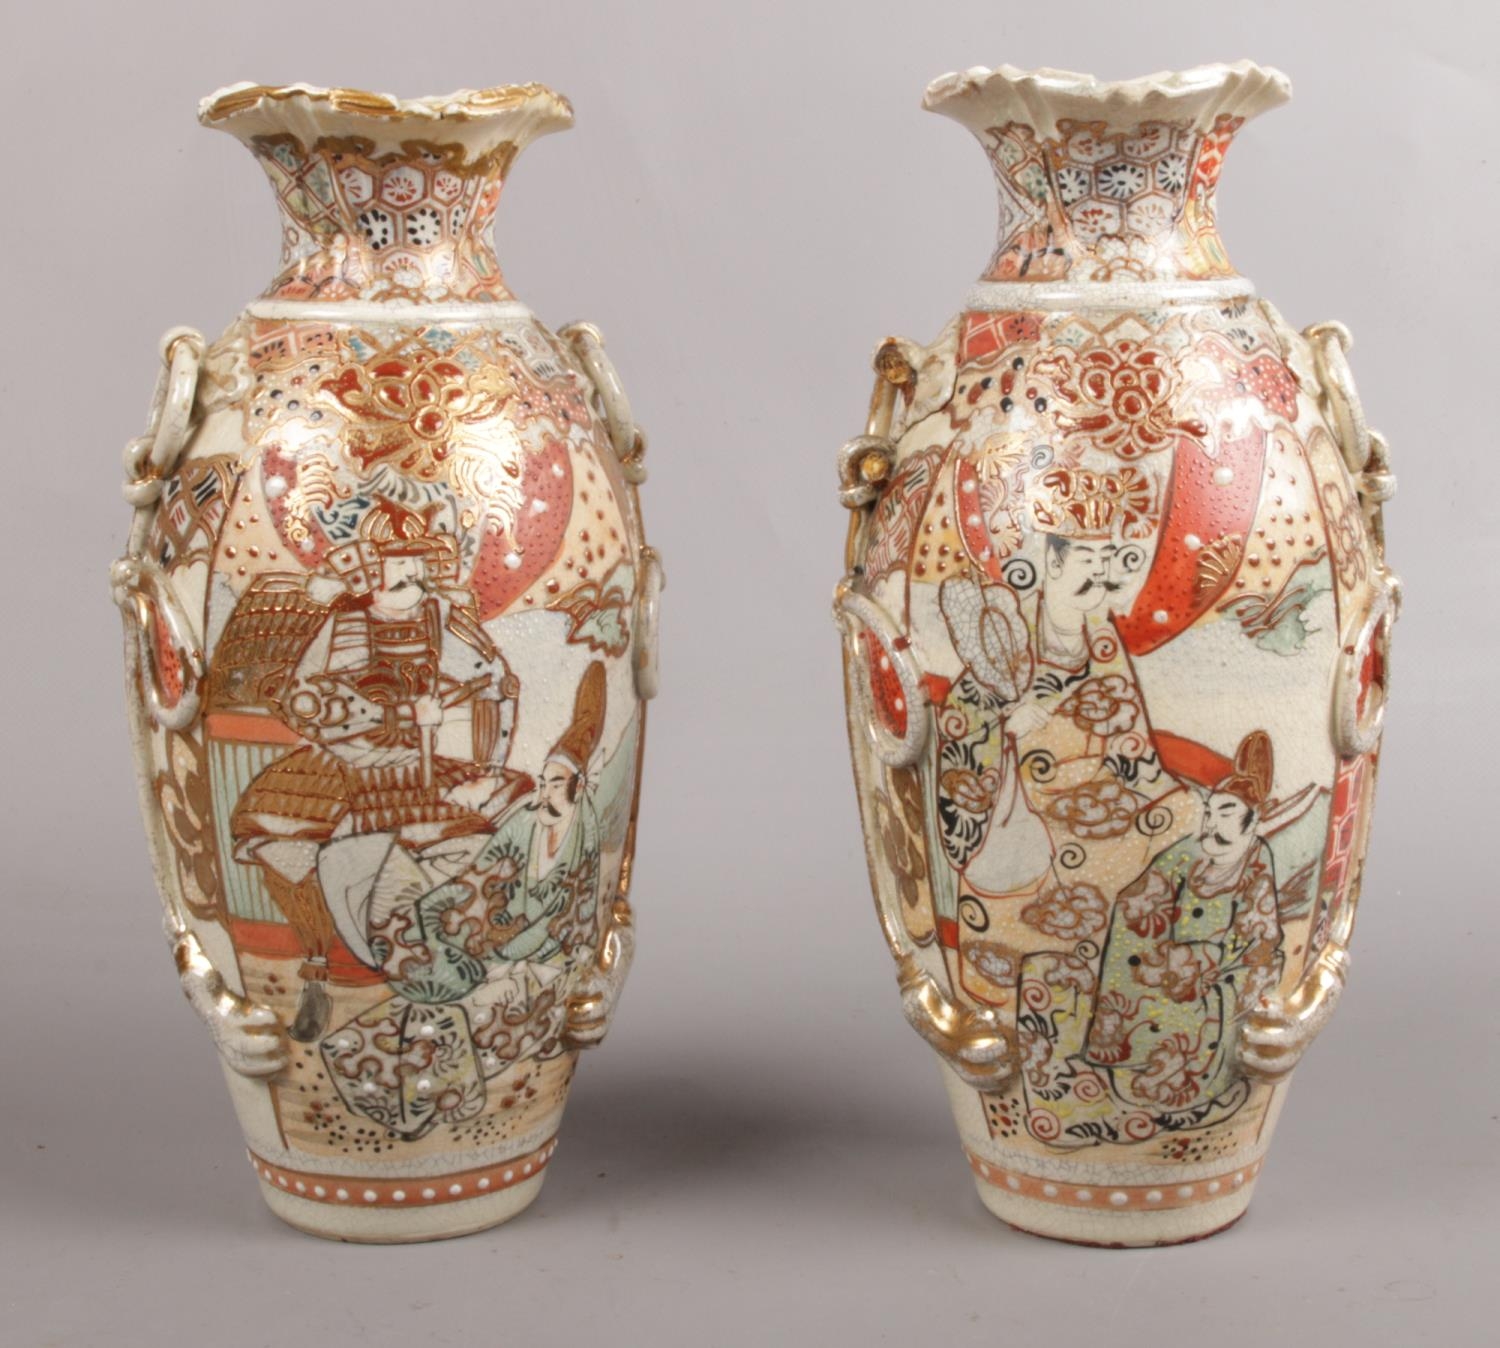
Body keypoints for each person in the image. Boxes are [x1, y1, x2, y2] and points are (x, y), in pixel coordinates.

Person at [225, 498, 523, 1039]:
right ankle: (316, 969)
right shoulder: (349, 621)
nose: (411, 572)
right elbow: (308, 703)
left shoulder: (436, 617)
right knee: (285, 842)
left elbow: (493, 678)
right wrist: (401, 714)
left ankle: (436, 967)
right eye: (397, 561)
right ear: (370, 565)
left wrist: (489, 755)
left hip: (414, 765)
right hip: (344, 761)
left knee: (480, 831)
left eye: (416, 560)